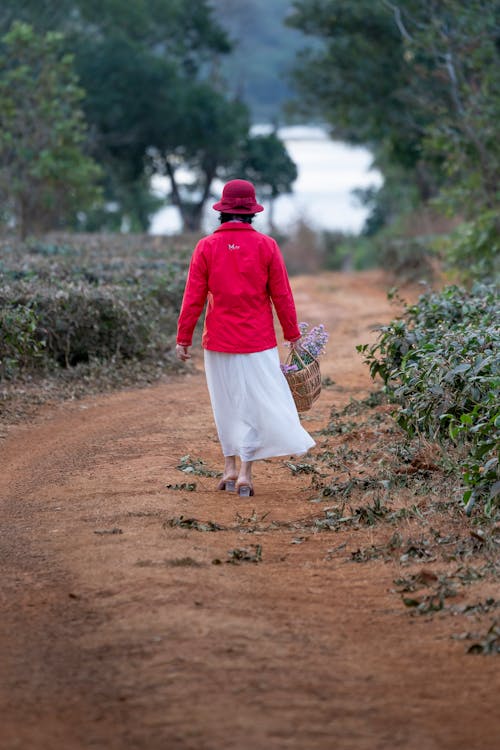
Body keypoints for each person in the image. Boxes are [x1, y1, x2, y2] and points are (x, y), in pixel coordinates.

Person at [175, 179, 315, 496]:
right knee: (252, 404)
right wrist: (292, 333)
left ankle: (228, 468)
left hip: (219, 341)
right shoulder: (266, 246)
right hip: (258, 342)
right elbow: (282, 295)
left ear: (222, 212)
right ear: (251, 212)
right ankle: (246, 475)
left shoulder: (206, 247)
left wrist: (184, 337)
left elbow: (193, 297)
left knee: (226, 404)